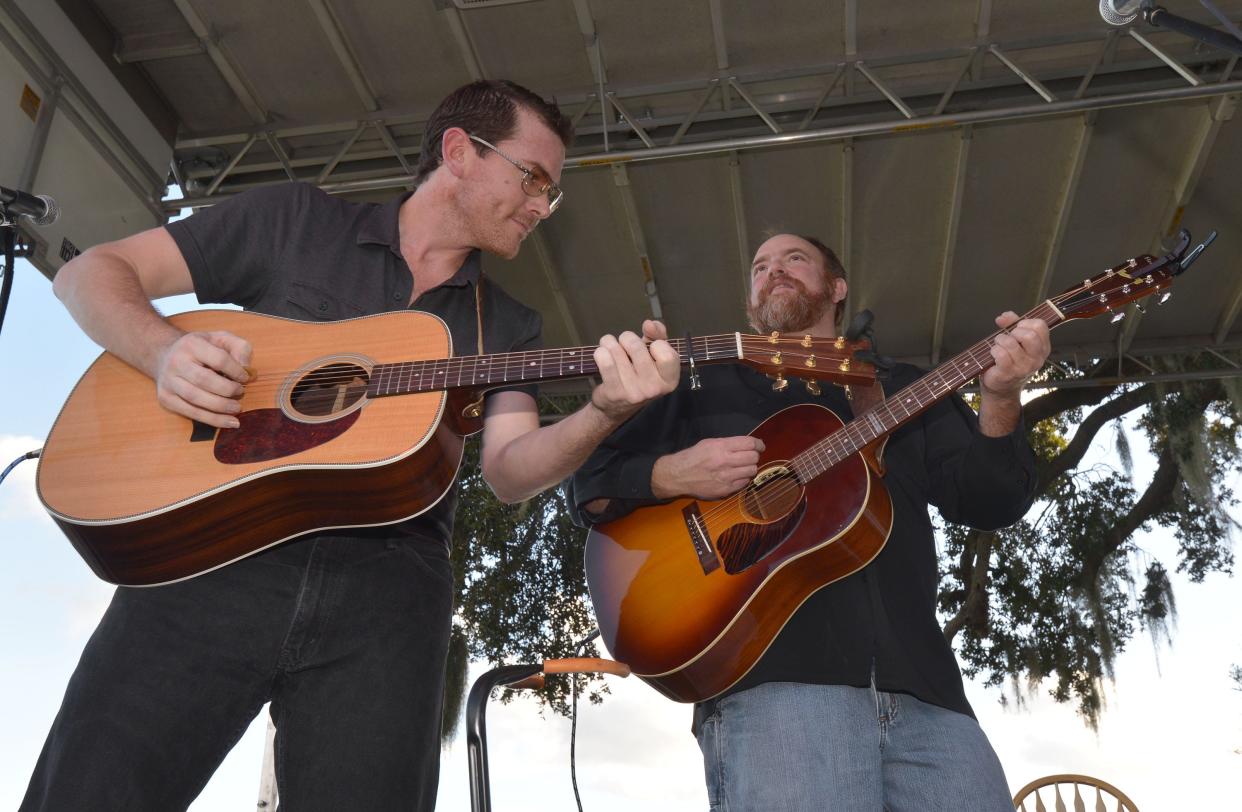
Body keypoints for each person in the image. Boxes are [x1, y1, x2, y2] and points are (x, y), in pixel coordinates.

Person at [22, 79, 679, 811]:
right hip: (215, 555)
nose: (541, 208)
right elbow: (90, 274)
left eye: (551, 196)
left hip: (387, 598)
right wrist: (163, 354)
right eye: (533, 180)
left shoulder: (509, 328)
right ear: (459, 151)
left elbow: (508, 471)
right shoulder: (294, 220)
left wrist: (604, 411)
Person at [571, 232, 1051, 810]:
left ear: (837, 288)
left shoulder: (902, 387)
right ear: (752, 300)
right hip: (776, 692)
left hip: (930, 698)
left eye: (793, 259)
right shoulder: (702, 379)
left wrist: (1000, 397)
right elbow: (591, 484)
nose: (773, 271)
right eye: (759, 267)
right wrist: (671, 473)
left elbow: (992, 502)